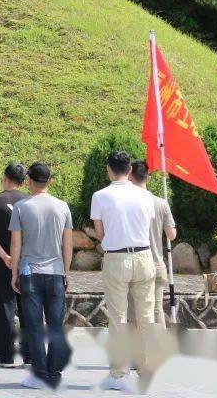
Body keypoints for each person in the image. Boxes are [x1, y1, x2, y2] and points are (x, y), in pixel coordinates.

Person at [91, 151, 157, 390]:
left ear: (109, 169)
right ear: (130, 170)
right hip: (143, 255)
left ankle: (119, 373)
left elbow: (100, 234)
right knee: (145, 315)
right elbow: (146, 225)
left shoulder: (100, 196)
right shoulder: (146, 196)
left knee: (118, 317)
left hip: (117, 258)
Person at [9, 162, 73, 390]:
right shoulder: (62, 206)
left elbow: (16, 243)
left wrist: (13, 271)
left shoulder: (20, 207)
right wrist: (66, 271)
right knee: (56, 324)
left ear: (29, 181)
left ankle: (39, 373)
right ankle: (54, 372)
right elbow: (67, 243)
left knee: (34, 326)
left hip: (30, 272)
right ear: (50, 181)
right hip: (55, 272)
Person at [0, 163, 29, 367]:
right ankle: (30, 353)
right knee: (28, 307)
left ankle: (6, 354)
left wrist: (5, 257)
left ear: (5, 178)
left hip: (3, 264)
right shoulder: (30, 202)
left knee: (5, 307)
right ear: (23, 181)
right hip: (27, 262)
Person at [129, 161, 177, 327]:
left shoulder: (127, 204)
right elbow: (172, 234)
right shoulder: (161, 203)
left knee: (135, 311)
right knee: (156, 310)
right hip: (156, 263)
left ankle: (138, 350)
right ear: (148, 177)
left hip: (135, 264)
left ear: (130, 176)